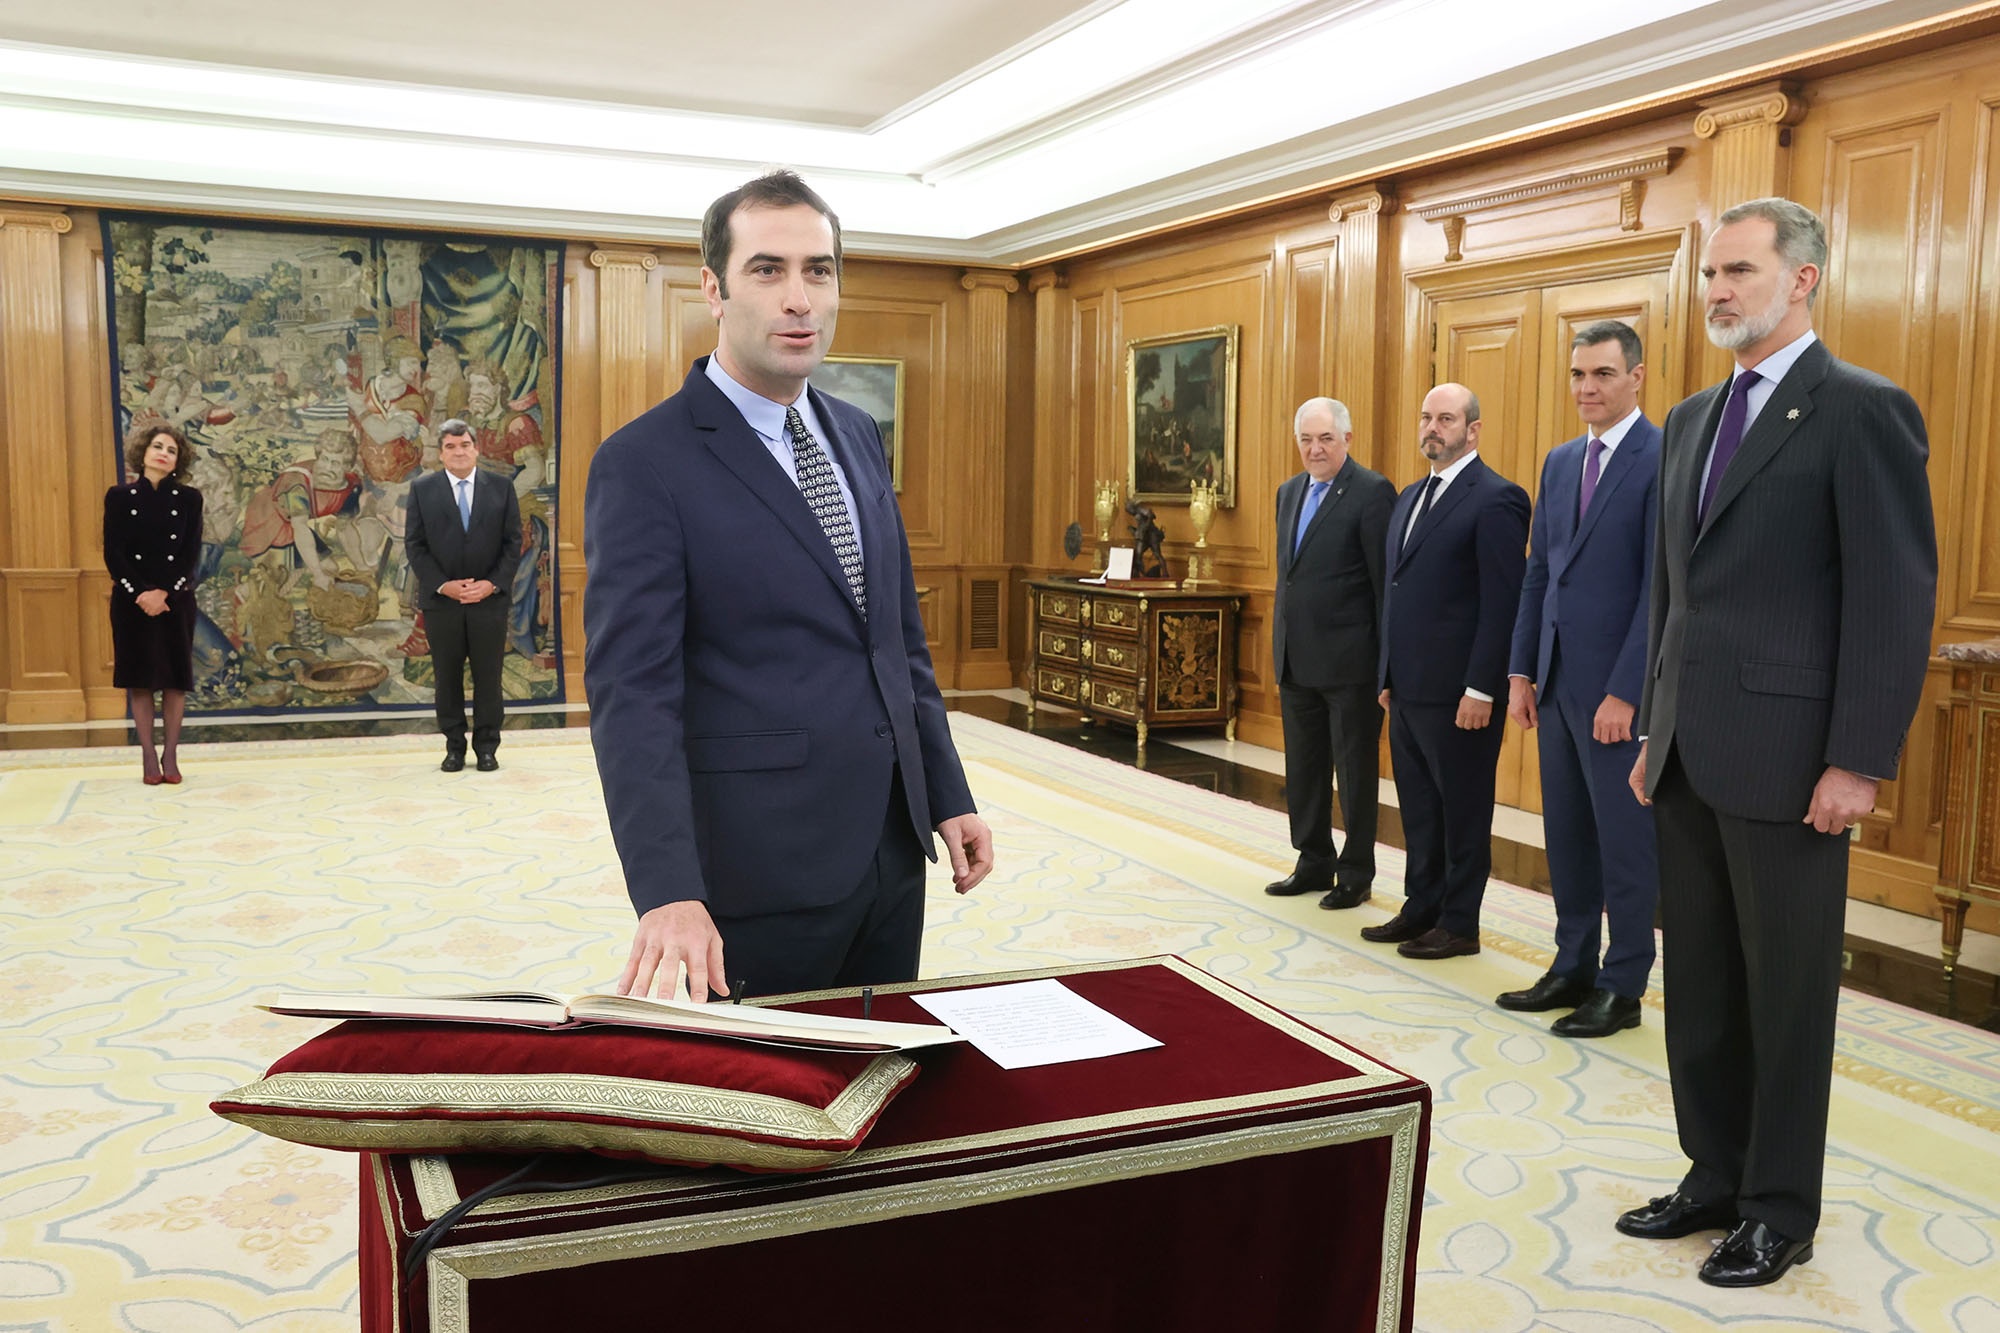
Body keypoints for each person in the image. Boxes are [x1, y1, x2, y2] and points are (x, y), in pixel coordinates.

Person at [1619, 198, 1936, 1288]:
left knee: (1786, 997)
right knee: (1702, 983)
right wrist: (1654, 723)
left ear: (1801, 279)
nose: (1716, 290)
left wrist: (1858, 759)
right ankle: (1712, 1173)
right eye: (1710, 272)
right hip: (1687, 752)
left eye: (1739, 271)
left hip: (1795, 761)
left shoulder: (1861, 409)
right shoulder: (1690, 418)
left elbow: (1892, 598)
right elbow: (1673, 593)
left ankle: (1778, 1208)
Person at [584, 169, 994, 1003]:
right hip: (754, 871)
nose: (800, 298)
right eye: (768, 270)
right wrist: (666, 888)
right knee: (769, 1083)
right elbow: (633, 695)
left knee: (884, 1068)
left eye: (819, 270)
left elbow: (896, 640)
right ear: (714, 289)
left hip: (891, 852)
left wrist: (945, 791)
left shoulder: (857, 432)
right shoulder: (643, 463)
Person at [1501, 321, 1661, 1038]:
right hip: (1557, 682)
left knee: (1624, 841)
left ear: (1636, 377)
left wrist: (1627, 691)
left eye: (1602, 373)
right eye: (1578, 374)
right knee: (1566, 835)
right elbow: (1540, 572)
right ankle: (1572, 966)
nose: (1587, 388)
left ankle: (1623, 985)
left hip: (1617, 694)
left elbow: (1659, 588)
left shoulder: (1662, 456)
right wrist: (1522, 670)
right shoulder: (1562, 461)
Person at [1363, 384, 1528, 959]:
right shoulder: (1410, 495)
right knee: (1419, 810)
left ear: (1473, 429)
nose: (1433, 428)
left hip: (1462, 693)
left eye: (1447, 419)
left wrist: (1482, 687)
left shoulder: (1498, 499)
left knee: (1462, 812)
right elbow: (1396, 590)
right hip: (1407, 689)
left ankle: (1459, 924)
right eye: (1426, 417)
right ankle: (1421, 907)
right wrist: (1386, 674)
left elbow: (1502, 603)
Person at [1266, 397, 1396, 910]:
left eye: (1325, 438)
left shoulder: (1372, 492)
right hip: (1295, 659)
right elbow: (1291, 576)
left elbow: (1384, 586)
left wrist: (1387, 667)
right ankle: (1313, 859)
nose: (1315, 449)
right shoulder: (1289, 492)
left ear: (1347, 439)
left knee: (1355, 772)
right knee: (1304, 769)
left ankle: (1356, 872)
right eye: (1306, 439)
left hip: (1351, 664)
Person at [405, 419, 521, 772]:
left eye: (465, 445)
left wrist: (492, 584)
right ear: (441, 453)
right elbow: (415, 545)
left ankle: (487, 748)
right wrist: (444, 585)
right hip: (442, 604)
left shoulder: (501, 488)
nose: (459, 452)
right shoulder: (422, 490)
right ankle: (454, 747)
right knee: (447, 678)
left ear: (476, 449)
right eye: (451, 446)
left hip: (489, 602)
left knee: (489, 677)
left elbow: (513, 543)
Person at [103, 425, 204, 785]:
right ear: (143, 453)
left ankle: (170, 753)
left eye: (171, 450)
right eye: (157, 446)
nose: (163, 453)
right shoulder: (119, 496)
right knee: (140, 680)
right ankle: (148, 754)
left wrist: (165, 594)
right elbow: (113, 553)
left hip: (175, 601)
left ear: (178, 460)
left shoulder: (190, 499)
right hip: (132, 601)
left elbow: (190, 553)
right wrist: (141, 593)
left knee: (175, 680)